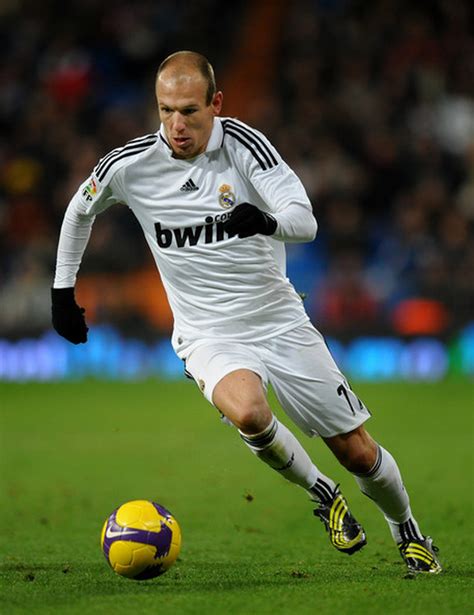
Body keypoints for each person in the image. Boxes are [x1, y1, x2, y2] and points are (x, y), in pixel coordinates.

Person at [51, 50, 441, 575]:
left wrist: (265, 221)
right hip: (207, 332)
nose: (176, 125)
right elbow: (79, 209)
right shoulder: (130, 165)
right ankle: (322, 492)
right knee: (251, 415)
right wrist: (62, 291)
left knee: (357, 451)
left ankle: (406, 527)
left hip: (278, 320)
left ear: (215, 103)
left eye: (189, 111)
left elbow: (305, 221)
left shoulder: (245, 147)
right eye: (166, 110)